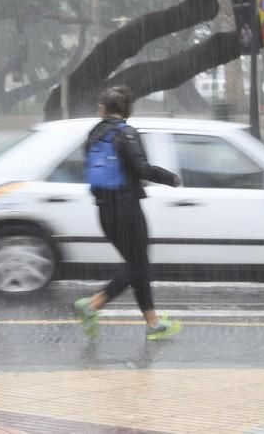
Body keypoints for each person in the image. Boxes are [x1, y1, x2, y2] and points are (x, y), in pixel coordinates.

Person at [73, 86, 182, 341]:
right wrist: (171, 178)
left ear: (104, 108)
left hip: (104, 210)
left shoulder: (94, 134)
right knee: (138, 266)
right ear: (126, 109)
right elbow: (141, 168)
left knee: (136, 265)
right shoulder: (126, 133)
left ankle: (153, 323)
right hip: (127, 208)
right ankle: (92, 305)